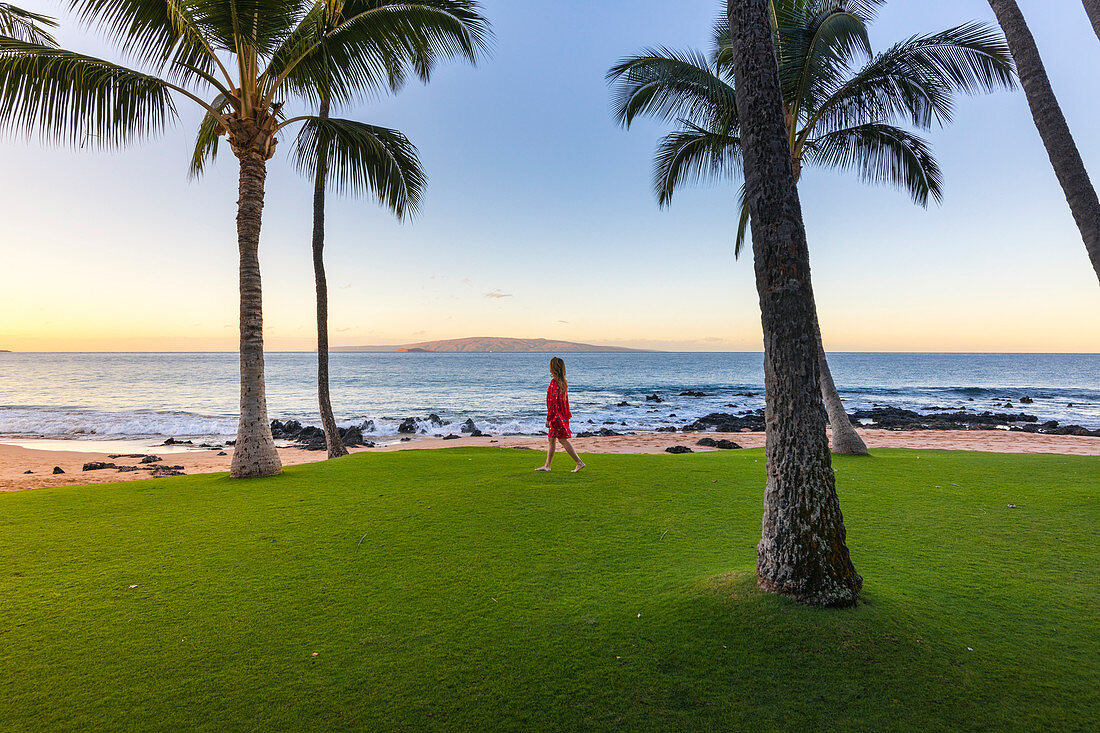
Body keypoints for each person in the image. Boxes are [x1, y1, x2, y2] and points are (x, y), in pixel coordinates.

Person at [536, 357, 585, 472]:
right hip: (562, 415)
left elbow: (553, 403)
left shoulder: (554, 383)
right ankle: (547, 465)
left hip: (556, 416)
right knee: (551, 439)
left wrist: (549, 418)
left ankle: (579, 462)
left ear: (552, 368)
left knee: (562, 440)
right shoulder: (563, 382)